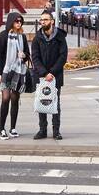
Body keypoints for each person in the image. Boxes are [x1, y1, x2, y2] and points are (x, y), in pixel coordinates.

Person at [31, 8, 68, 140]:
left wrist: (52, 73)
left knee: (55, 102)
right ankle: (42, 130)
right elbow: (34, 57)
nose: (43, 22)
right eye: (41, 20)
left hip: (55, 76)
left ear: (52, 21)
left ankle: (56, 131)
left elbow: (63, 57)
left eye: (45, 19)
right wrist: (44, 73)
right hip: (41, 76)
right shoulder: (37, 38)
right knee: (42, 102)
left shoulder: (60, 37)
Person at [0, 13, 31, 139]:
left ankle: (13, 128)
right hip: (6, 71)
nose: (19, 23)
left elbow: (28, 54)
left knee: (15, 98)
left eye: (20, 21)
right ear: (11, 22)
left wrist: (24, 55)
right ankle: (2, 129)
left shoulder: (23, 36)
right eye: (16, 21)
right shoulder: (3, 36)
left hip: (18, 71)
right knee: (5, 98)